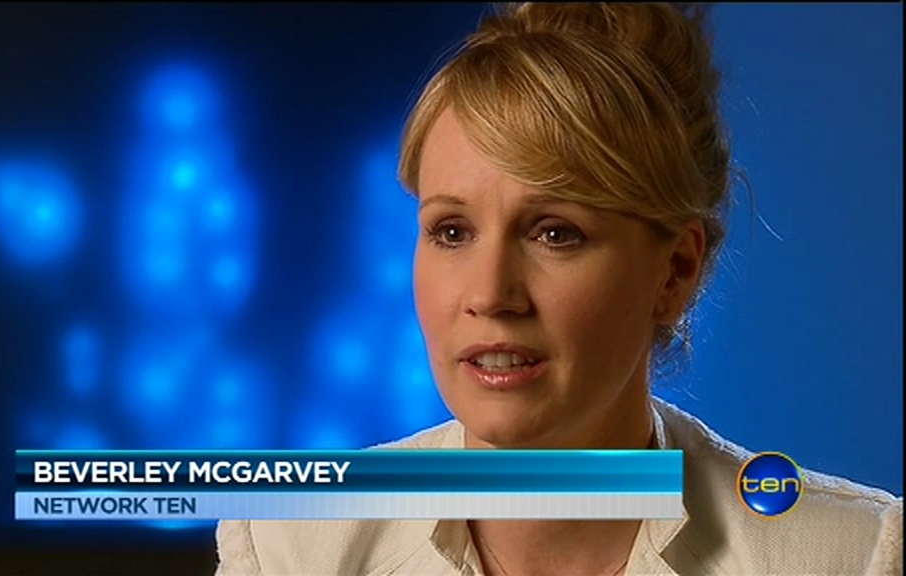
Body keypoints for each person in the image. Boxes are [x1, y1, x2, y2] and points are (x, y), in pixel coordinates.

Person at [215, 3, 902, 574]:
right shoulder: (291, 547)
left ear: (675, 271)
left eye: (555, 233)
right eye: (452, 231)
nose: (490, 294)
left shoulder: (852, 556)